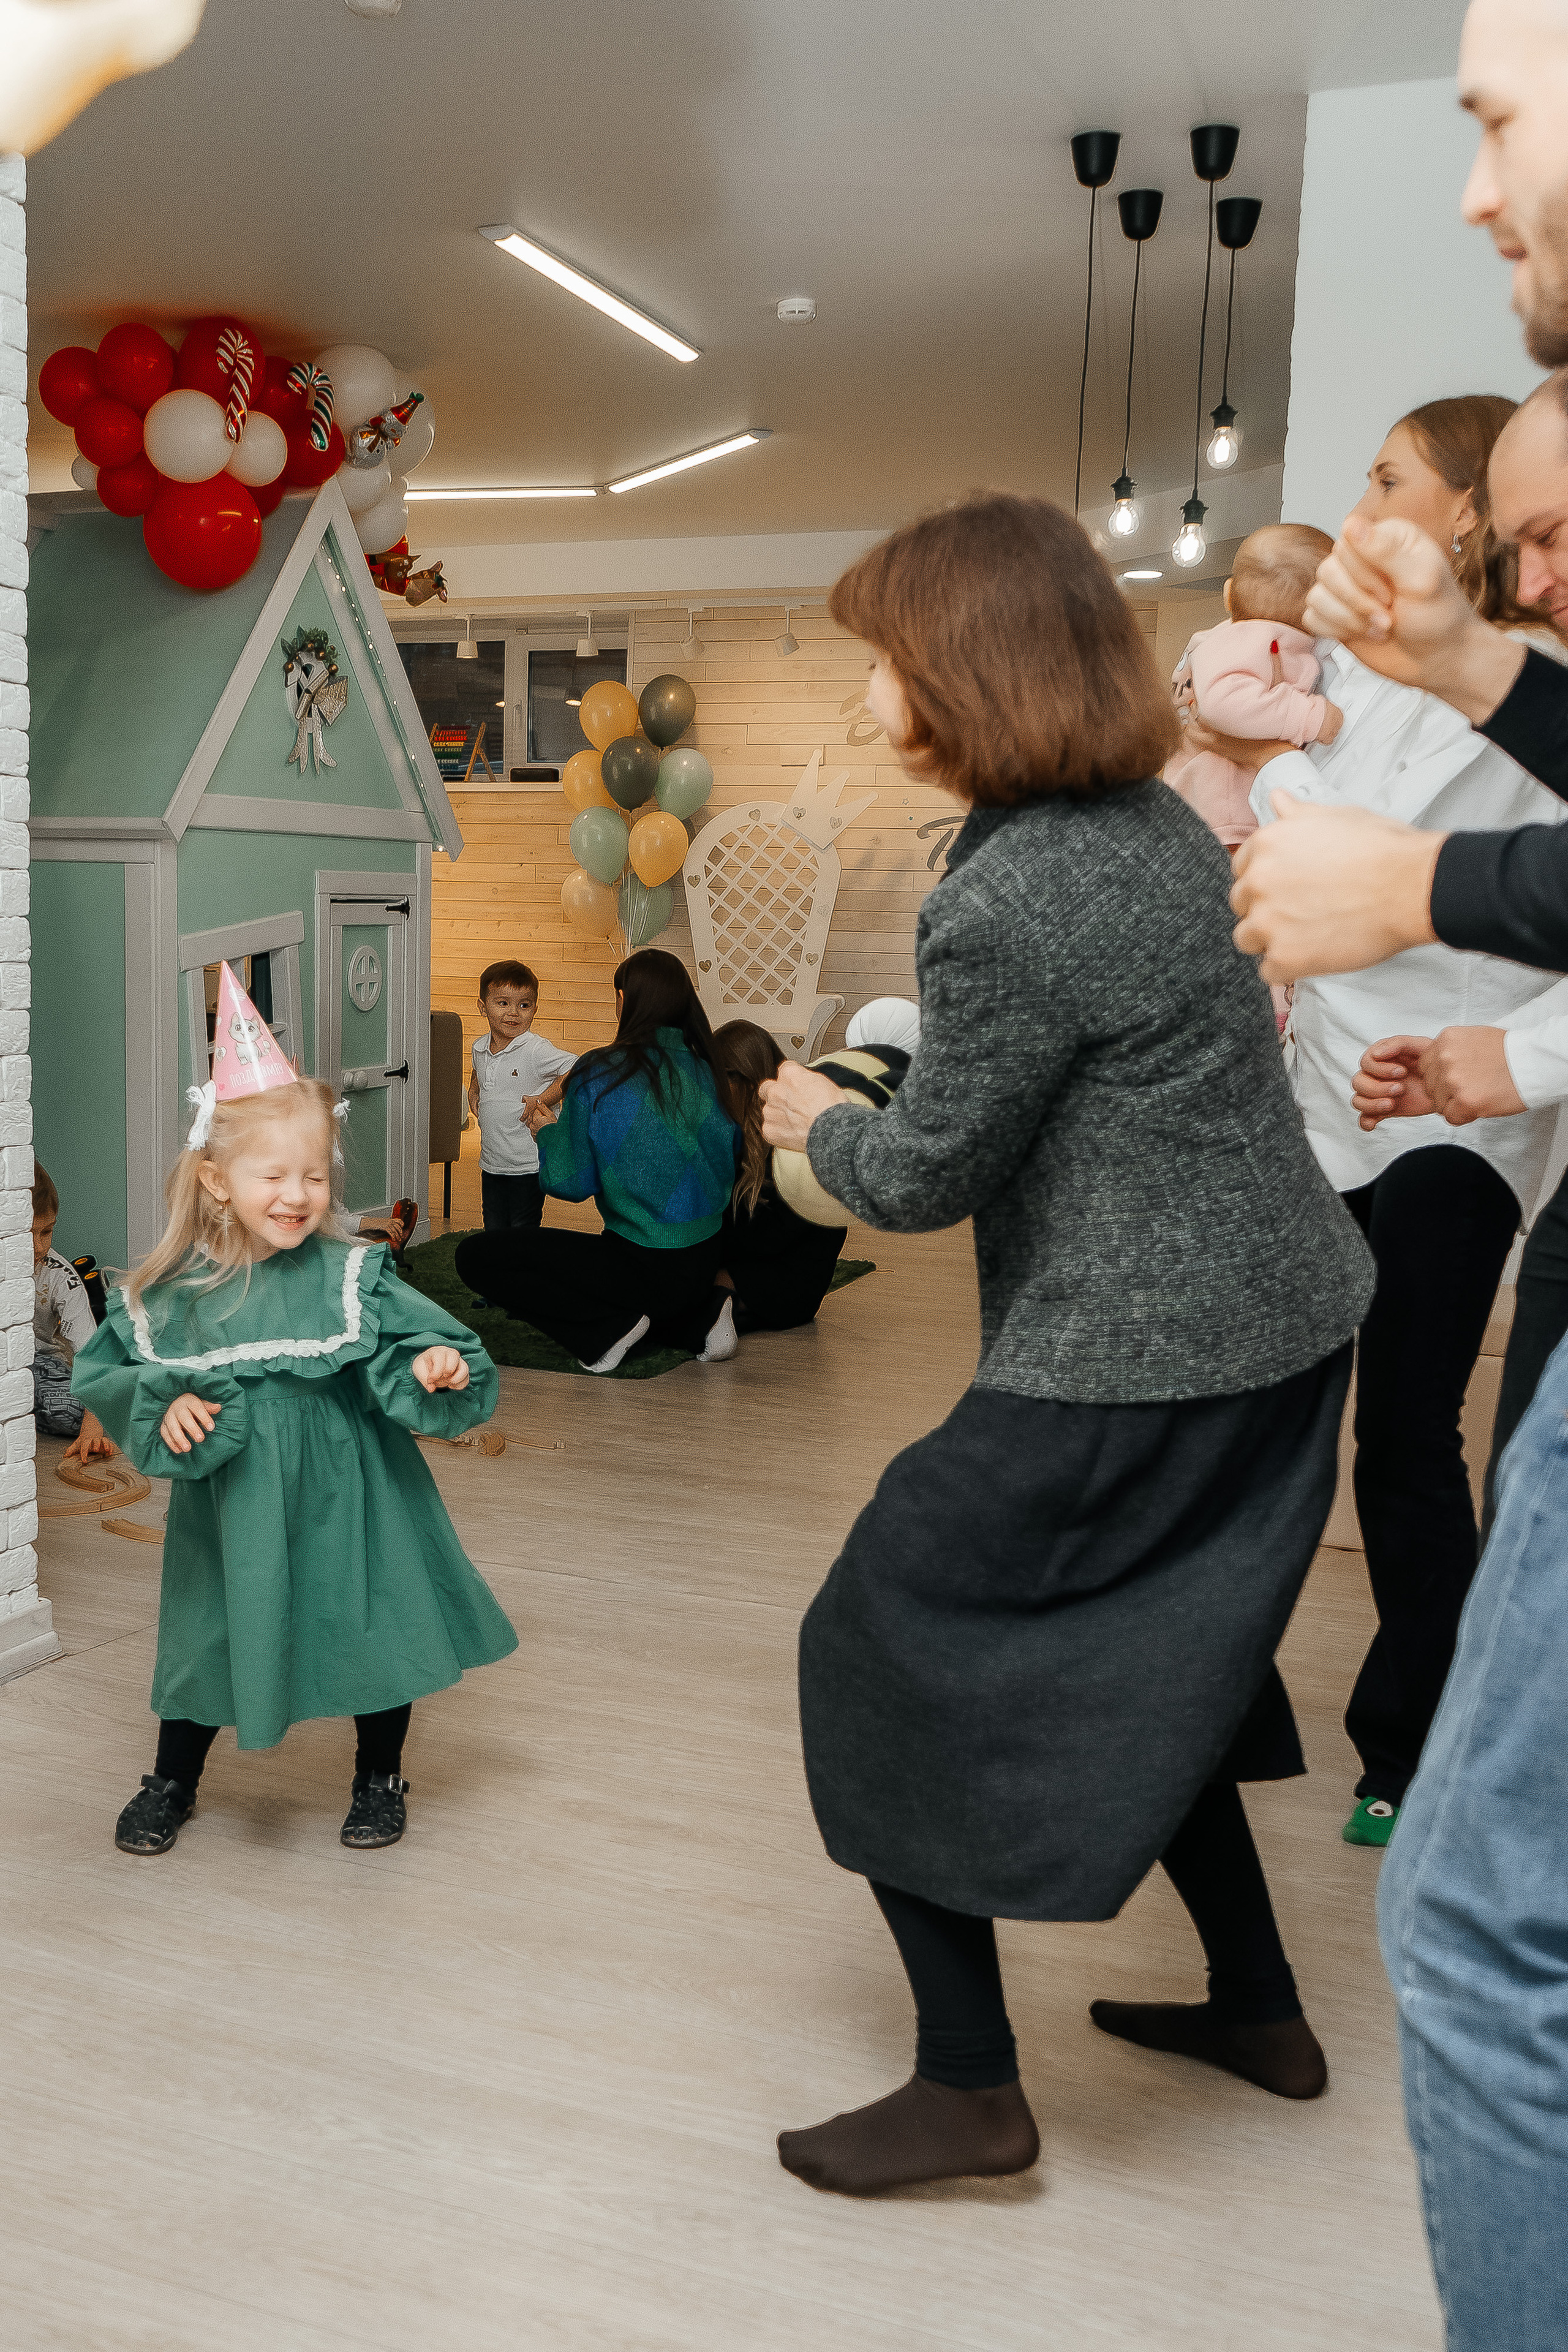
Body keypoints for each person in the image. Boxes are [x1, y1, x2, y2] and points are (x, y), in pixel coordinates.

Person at [758, 491, 1375, 2199]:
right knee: (1158, 1660)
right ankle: (1258, 2007)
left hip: (1145, 1351)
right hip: (1287, 1318)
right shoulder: (1158, 825)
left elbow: (930, 1173)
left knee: (871, 1650)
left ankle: (970, 2089)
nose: (869, 694)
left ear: (958, 672)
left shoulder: (1012, 893)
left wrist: (817, 1125)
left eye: (881, 661)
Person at [1226, 7, 1568, 2341]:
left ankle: (1376, 1728)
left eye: (1488, 114)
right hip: (1360, 1123)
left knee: (1473, 1912)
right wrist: (1450, 661)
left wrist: (1426, 920)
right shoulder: (1386, 680)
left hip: (1457, 1140)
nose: (1468, 185)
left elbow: (1467, 886)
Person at [1233, 398, 1568, 1851]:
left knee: (1405, 1432)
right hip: (1338, 1093)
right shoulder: (1370, 677)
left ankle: (1409, 1738)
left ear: (1460, 514)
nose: (1358, 499)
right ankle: (1224, 1704)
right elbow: (1302, 801)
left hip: (1463, 1105)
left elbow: (1374, 856)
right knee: (1276, 1422)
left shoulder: (1526, 681)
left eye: (1385, 478)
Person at [72, 963, 516, 1858]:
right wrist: (168, 1407)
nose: (298, 1194)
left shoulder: (349, 1275)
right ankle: (173, 1777)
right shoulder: (175, 1295)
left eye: (314, 1174)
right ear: (216, 1181)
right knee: (209, 1632)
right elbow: (106, 1375)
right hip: (233, 1501)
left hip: (355, 1489)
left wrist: (428, 1362)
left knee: (371, 1622)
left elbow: (432, 1345)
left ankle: (380, 1774)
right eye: (273, 1174)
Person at [454, 949, 741, 1373]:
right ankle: (704, 1319)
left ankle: (607, 1332)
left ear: (623, 999)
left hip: (641, 1263)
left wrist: (547, 1131)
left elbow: (569, 1183)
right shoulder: (709, 1067)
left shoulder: (603, 1070)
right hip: (706, 1259)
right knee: (633, 1266)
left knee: (475, 1256)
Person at [1166, 522, 1343, 848]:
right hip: (1219, 808)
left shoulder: (1271, 642)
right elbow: (1221, 702)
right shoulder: (1249, 637)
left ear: (1228, 593)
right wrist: (1308, 716)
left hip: (1230, 807)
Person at [712, 1022, 846, 1333]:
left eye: (717, 1082)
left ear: (744, 1080)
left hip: (786, 1279)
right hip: (755, 1260)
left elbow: (770, 1236)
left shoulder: (793, 1142)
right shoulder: (742, 1133)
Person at [468, 958, 576, 1234]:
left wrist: (543, 1100)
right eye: (503, 1003)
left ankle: (522, 1274)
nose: (513, 1013)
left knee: (522, 1231)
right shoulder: (479, 1047)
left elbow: (577, 1067)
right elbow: (479, 1068)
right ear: (483, 1007)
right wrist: (474, 1086)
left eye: (524, 1005)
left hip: (528, 1166)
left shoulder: (534, 1050)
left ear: (534, 1010)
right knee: (493, 1226)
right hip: (492, 1163)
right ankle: (498, 1274)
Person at [31, 1162, 113, 1464]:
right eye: (27, 1233)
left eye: (47, 1231)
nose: (39, 1247)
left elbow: (92, 1352)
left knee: (70, 1414)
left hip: (44, 1363)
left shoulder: (60, 1276)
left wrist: (93, 1422)